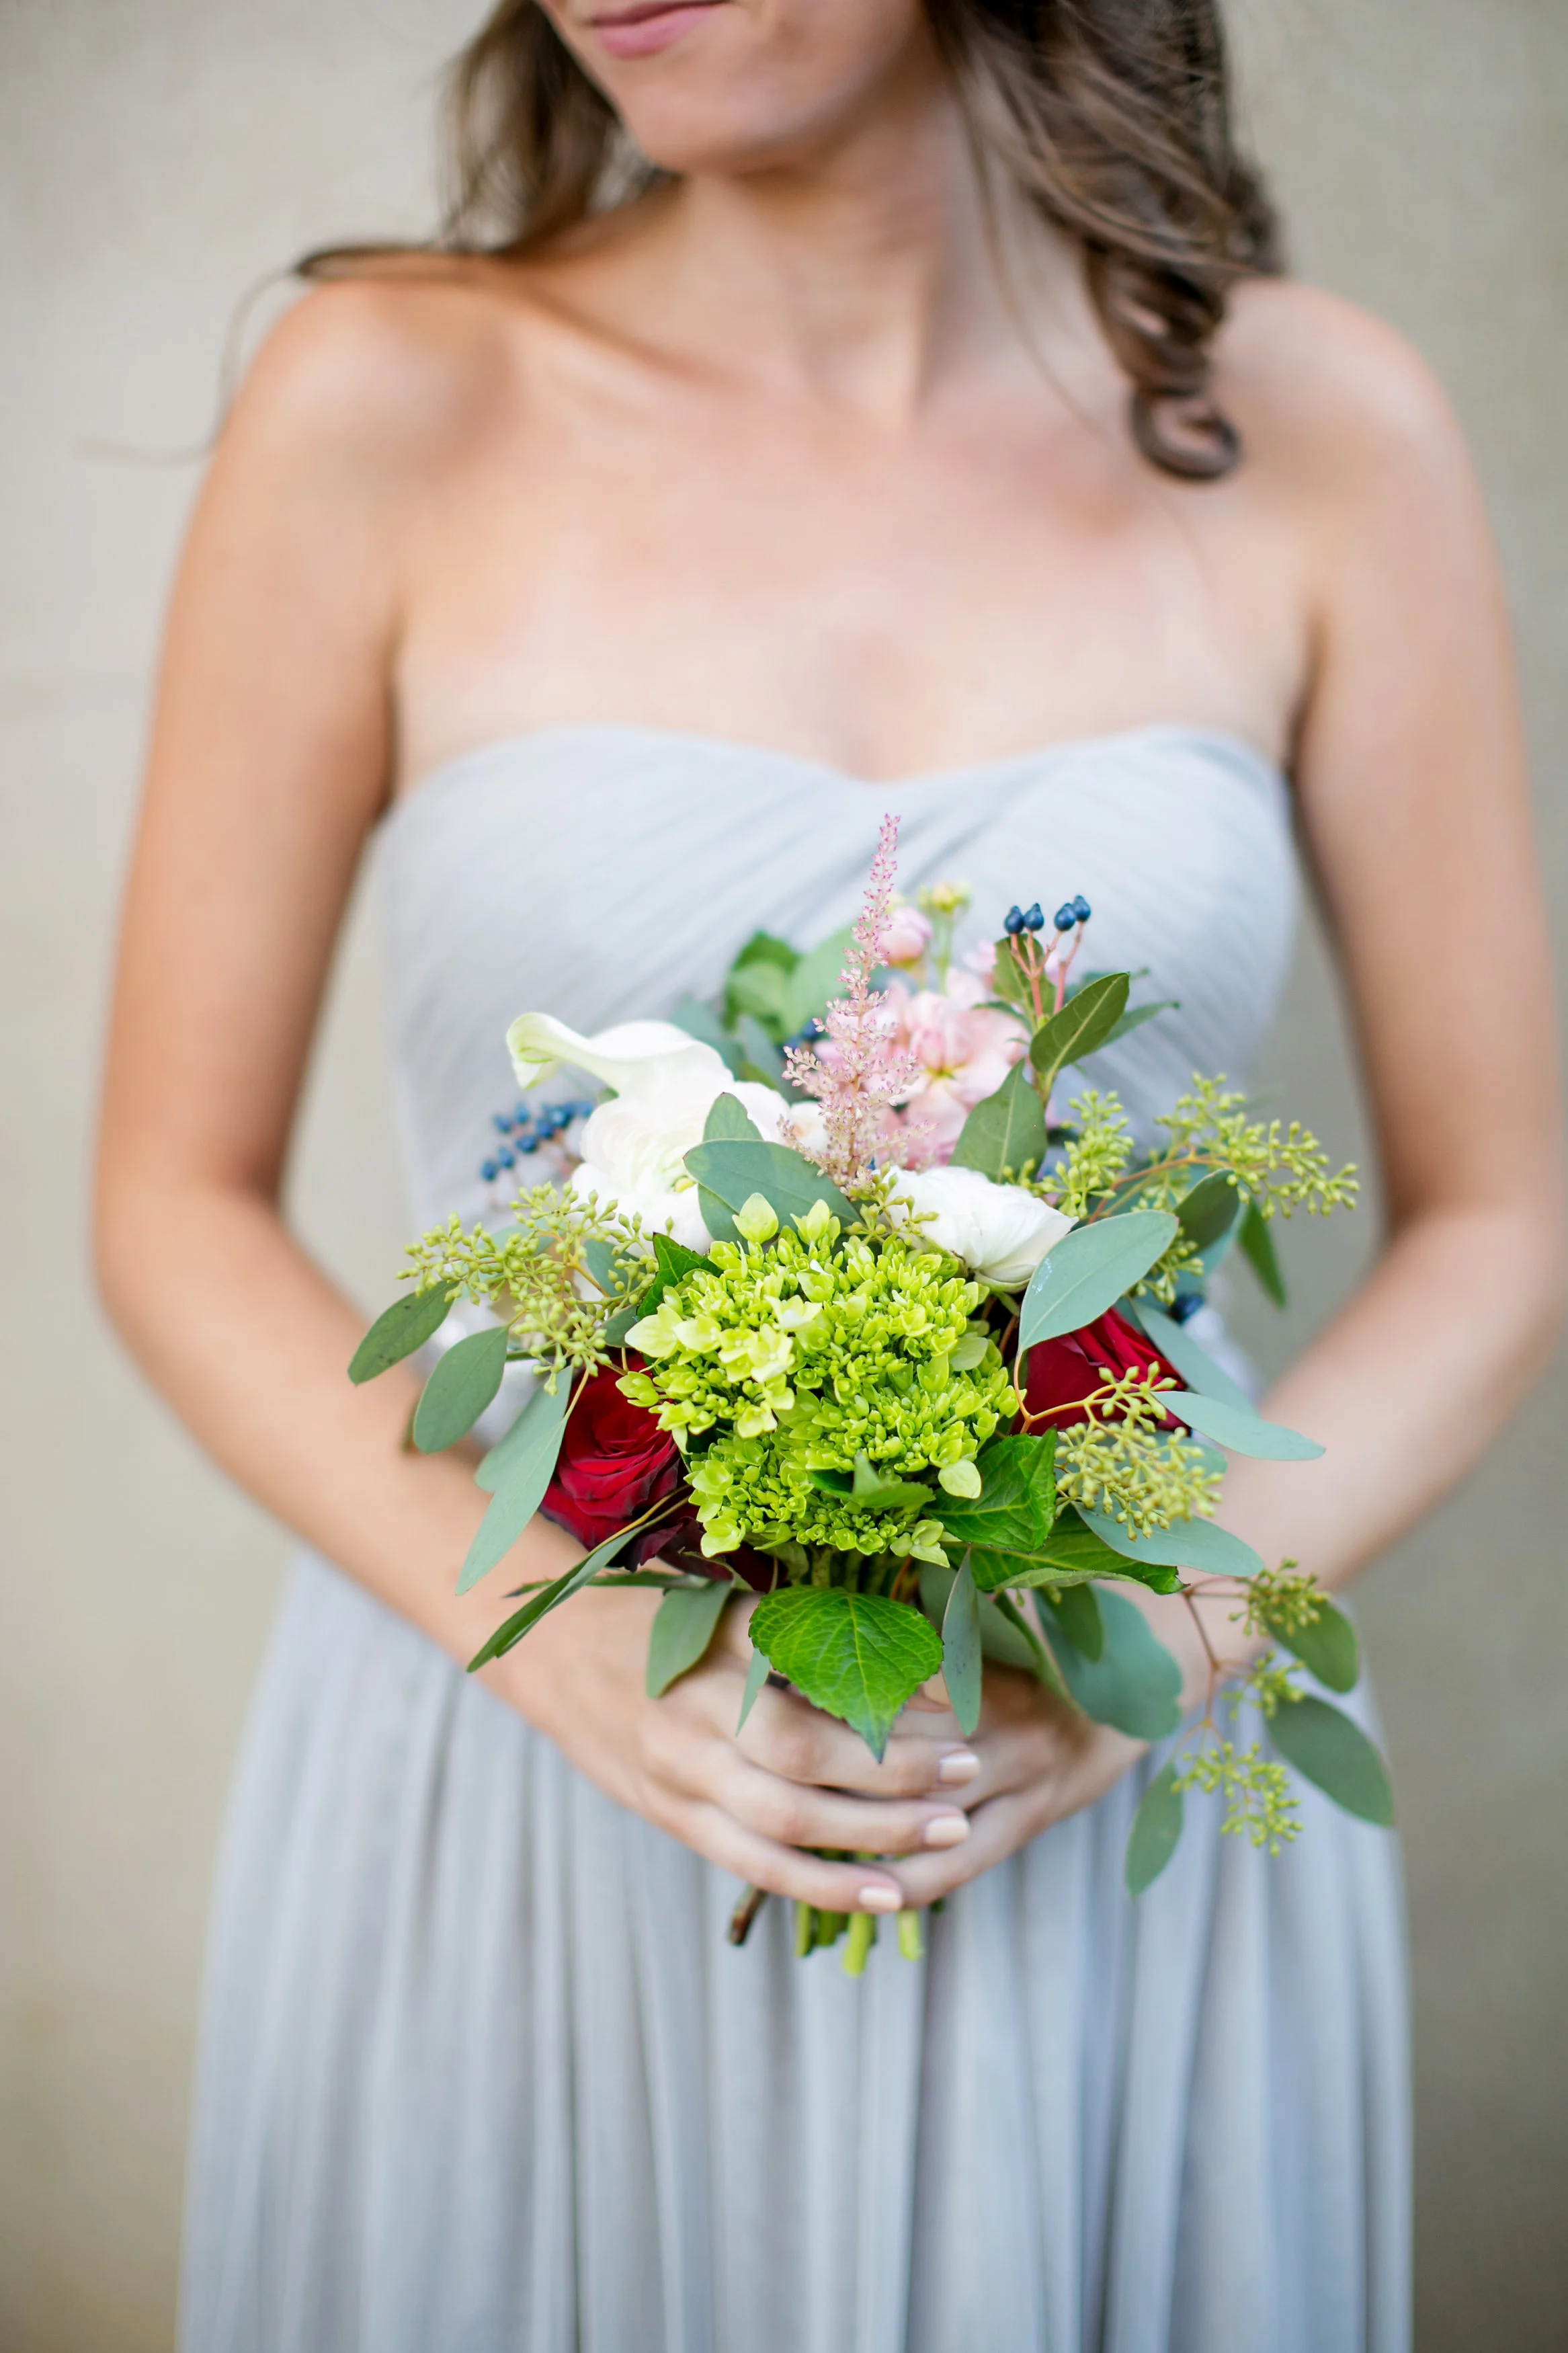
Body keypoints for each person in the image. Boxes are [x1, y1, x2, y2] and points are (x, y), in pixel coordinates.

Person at [95, 3, 1563, 2348]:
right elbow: (171, 1198)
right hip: (536, 1772)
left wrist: (1148, 1652)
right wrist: (585, 1661)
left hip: (1099, 1785)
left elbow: (1502, 1219)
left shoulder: (1318, 428)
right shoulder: (385, 397)